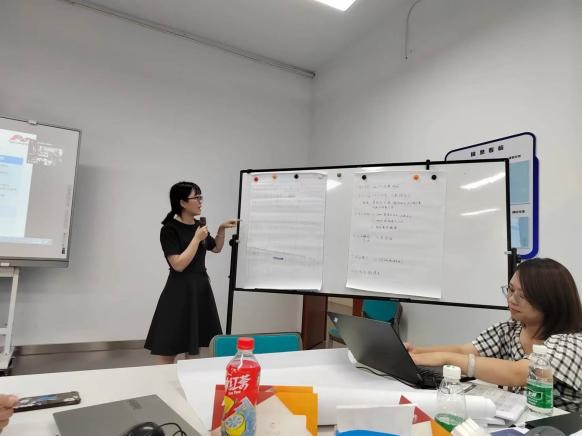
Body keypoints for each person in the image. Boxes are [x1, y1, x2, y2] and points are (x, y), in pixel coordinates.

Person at [407, 258, 582, 412]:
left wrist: (447, 358)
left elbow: (518, 373)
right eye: (511, 290)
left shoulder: (570, 342)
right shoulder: (511, 329)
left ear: (550, 302)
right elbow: (465, 350)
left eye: (523, 295)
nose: (511, 299)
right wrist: (415, 352)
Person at [145, 181, 237, 364]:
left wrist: (221, 229)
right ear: (182, 202)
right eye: (196, 197)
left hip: (200, 288)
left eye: (201, 197)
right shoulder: (169, 229)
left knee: (195, 346)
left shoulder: (199, 226)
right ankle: (163, 378)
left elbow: (216, 248)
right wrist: (196, 239)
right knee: (169, 346)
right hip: (179, 290)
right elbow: (178, 265)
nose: (200, 201)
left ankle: (190, 377)